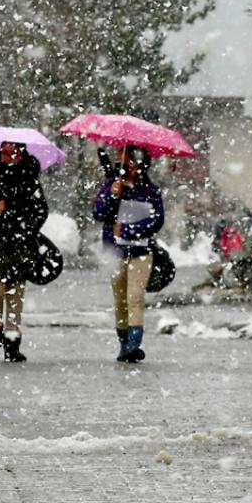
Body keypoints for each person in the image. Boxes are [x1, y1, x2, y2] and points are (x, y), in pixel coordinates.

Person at [0, 141, 48, 362]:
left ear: (21, 154)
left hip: (20, 244)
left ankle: (12, 343)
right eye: (3, 152)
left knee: (15, 294)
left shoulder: (29, 181)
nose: (6, 156)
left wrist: (25, 227)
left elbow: (41, 210)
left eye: (11, 152)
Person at [93, 144, 165, 363]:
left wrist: (128, 230)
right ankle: (124, 342)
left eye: (125, 159)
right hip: (114, 251)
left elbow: (156, 220)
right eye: (119, 159)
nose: (121, 164)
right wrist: (113, 195)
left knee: (135, 296)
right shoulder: (111, 184)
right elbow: (98, 212)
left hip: (140, 251)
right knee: (120, 299)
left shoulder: (150, 191)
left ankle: (134, 344)